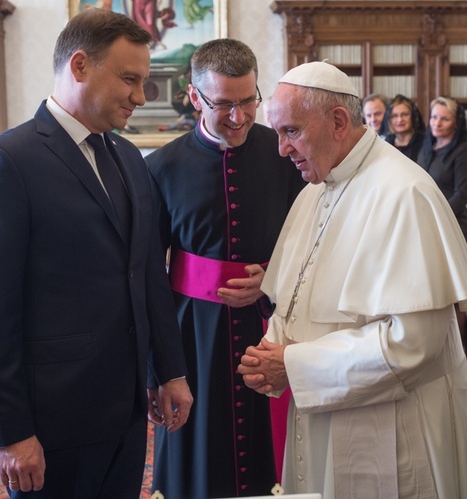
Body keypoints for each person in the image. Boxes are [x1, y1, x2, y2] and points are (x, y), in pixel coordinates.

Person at [0, 9, 192, 498]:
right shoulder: (5, 163)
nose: (140, 96)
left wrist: (167, 369)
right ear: (80, 65)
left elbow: (147, 272)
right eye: (130, 79)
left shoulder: (128, 158)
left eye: (144, 81)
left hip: (126, 414)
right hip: (50, 422)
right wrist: (9, 430)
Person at [237, 61, 467, 498]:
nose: (281, 149)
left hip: (388, 428)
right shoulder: (316, 187)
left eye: (291, 131)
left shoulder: (404, 193)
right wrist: (273, 353)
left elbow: (412, 345)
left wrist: (293, 364)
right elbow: (291, 296)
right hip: (320, 409)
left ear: (337, 121)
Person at [146, 39, 306, 498]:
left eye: (249, 101)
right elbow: (149, 276)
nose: (239, 117)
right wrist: (158, 369)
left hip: (273, 325)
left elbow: (318, 237)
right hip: (194, 336)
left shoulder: (287, 156)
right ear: (195, 97)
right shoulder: (161, 168)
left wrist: (272, 275)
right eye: (223, 105)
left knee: (272, 457)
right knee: (200, 456)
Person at [417, 96, 467, 252]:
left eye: (445, 119)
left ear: (456, 123)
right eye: (434, 117)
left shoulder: (464, 151)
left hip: (453, 227)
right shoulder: (427, 149)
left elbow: (462, 195)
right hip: (427, 224)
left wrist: (436, 216)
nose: (437, 123)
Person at [379, 94, 425, 161]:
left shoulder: (424, 143)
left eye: (404, 114)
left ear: (413, 117)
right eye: (394, 116)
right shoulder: (386, 145)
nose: (400, 120)